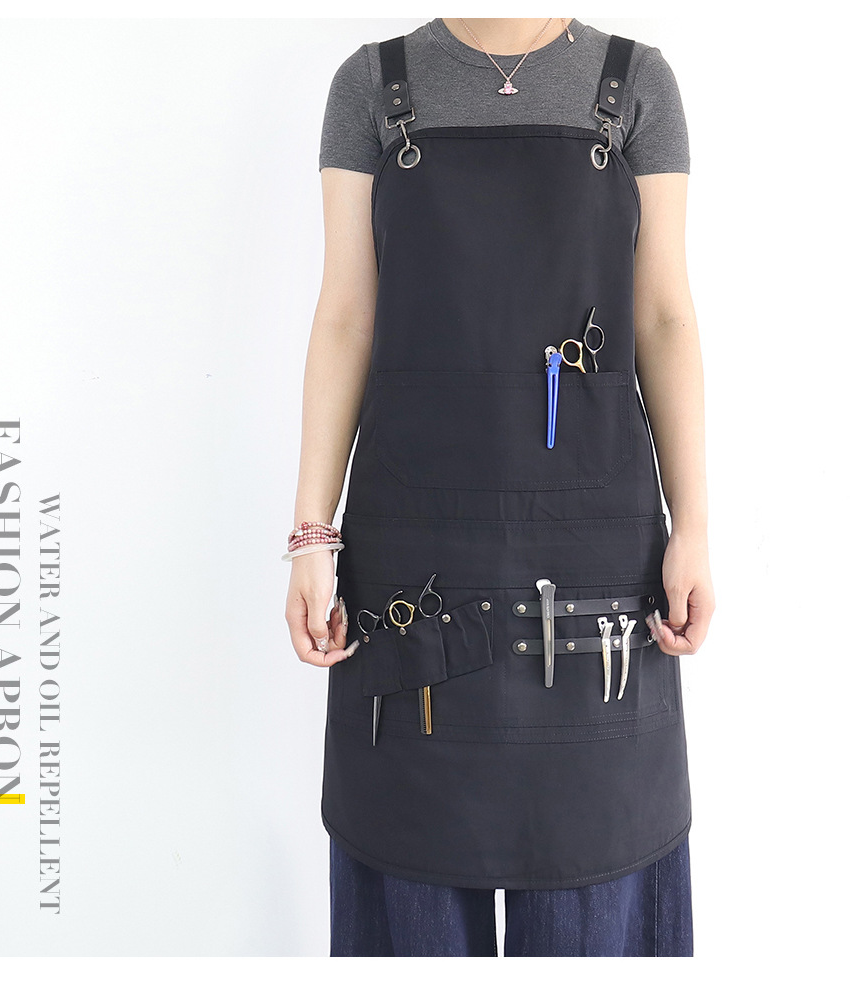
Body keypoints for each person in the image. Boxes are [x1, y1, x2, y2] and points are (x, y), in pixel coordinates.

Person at [284, 16, 714, 957]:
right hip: (414, 563)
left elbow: (663, 316)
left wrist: (694, 525)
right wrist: (312, 532)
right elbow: (347, 316)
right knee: (412, 902)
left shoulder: (637, 84)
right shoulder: (372, 86)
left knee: (595, 890)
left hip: (597, 563)